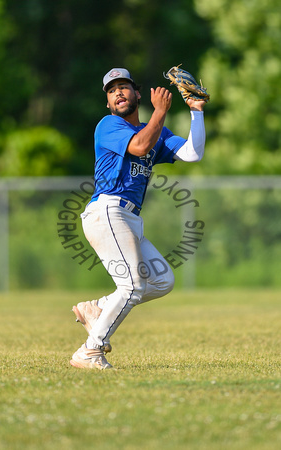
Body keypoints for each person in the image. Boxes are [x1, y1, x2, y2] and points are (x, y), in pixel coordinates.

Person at [70, 67, 206, 370]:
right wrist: (160, 113)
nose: (118, 92)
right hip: (108, 211)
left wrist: (196, 112)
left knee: (162, 280)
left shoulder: (154, 130)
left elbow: (192, 154)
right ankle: (90, 351)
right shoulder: (109, 125)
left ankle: (98, 308)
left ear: (137, 93)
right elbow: (140, 146)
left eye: (124, 86)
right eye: (112, 89)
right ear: (107, 101)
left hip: (129, 218)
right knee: (132, 285)